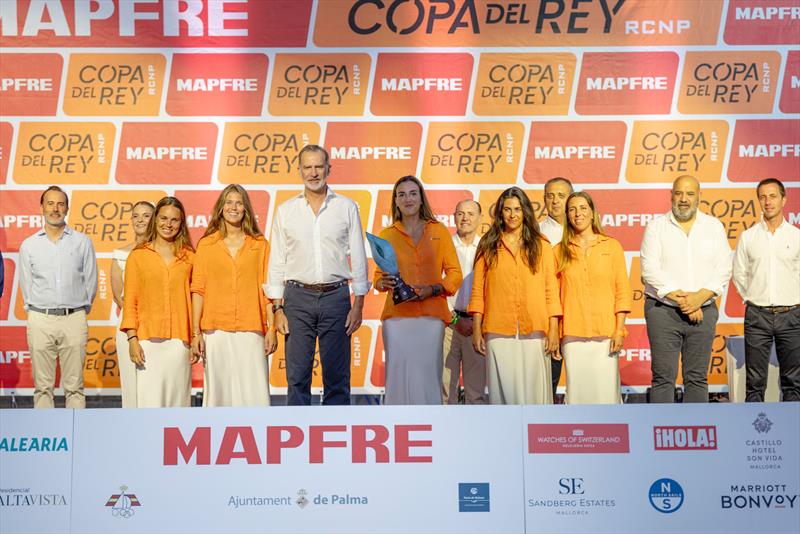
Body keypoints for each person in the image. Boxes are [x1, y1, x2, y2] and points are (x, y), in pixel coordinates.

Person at [267, 145, 369, 406]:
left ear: (328, 169)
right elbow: (277, 260)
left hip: (336, 298)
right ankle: (297, 440)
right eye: (307, 167)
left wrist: (358, 304)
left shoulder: (346, 207)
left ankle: (338, 441)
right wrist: (277, 308)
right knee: (297, 377)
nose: (313, 173)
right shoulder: (285, 210)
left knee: (337, 377)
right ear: (299, 170)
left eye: (318, 166)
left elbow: (358, 255)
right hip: (296, 299)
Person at [640, 175, 732, 403]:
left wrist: (699, 299)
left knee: (697, 377)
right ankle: (659, 434)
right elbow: (649, 270)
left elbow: (724, 268)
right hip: (663, 311)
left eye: (690, 194)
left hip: (704, 310)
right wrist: (686, 302)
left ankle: (696, 434)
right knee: (663, 378)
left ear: (699, 197)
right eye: (679, 193)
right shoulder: (656, 227)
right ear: (671, 195)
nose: (684, 199)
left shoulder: (713, 227)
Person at [469, 187, 561, 405]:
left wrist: (554, 329)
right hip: (498, 330)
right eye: (508, 209)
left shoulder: (542, 244)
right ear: (500, 212)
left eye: (518, 209)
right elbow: (478, 291)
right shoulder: (488, 245)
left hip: (536, 329)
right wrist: (476, 329)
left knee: (535, 396)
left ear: (525, 211)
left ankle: (538, 436)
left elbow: (551, 289)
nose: (512, 215)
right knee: (504, 396)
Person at [375, 176, 462, 405]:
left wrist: (434, 289)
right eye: (401, 194)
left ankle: (430, 431)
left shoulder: (439, 231)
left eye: (413, 193)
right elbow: (377, 277)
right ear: (395, 201)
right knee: (397, 378)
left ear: (421, 198)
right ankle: (397, 430)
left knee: (428, 378)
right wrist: (381, 283)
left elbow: (455, 274)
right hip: (397, 319)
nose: (408, 199)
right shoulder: (386, 235)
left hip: (431, 317)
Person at [191, 185, 276, 407]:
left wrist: (272, 329)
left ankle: (258, 437)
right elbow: (198, 290)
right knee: (219, 396)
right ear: (220, 208)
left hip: (252, 330)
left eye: (239, 203)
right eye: (228, 202)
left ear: (246, 209)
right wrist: (195, 332)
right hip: (215, 331)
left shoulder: (260, 245)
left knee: (254, 395)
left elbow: (268, 291)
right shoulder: (207, 245)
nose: (233, 207)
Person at [19, 186, 97, 409]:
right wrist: (37, 311)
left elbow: (90, 283)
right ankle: (47, 435)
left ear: (67, 208)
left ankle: (77, 438)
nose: (55, 208)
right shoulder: (29, 245)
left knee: (75, 386)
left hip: (74, 318)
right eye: (51, 203)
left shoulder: (82, 242)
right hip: (40, 318)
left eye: (60, 204)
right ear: (42, 207)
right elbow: (27, 285)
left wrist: (79, 310)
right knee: (42, 387)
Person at [555, 192, 632, 404]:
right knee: (578, 394)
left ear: (592, 213)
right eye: (572, 209)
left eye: (582, 208)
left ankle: (611, 436)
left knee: (606, 395)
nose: (577, 213)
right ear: (567, 216)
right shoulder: (558, 251)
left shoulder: (611, 246)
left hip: (606, 334)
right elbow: (554, 297)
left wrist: (619, 329)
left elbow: (622, 291)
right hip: (572, 335)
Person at [121, 197, 196, 408]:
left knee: (178, 404)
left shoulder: (190, 256)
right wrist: (132, 338)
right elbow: (131, 300)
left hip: (180, 342)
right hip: (147, 342)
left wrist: (195, 336)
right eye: (163, 218)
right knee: (149, 404)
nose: (168, 224)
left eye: (174, 220)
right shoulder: (138, 256)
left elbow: (196, 298)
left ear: (181, 223)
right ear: (155, 220)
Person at [733, 178, 800, 402]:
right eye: (762, 197)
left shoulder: (796, 236)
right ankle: (752, 436)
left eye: (772, 196)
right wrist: (753, 297)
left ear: (784, 199)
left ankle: (794, 432)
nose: (767, 202)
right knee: (754, 382)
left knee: (794, 381)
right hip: (757, 315)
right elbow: (739, 274)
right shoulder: (748, 237)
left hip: (792, 315)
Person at [110, 201, 155, 408]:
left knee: (153, 383)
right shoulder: (120, 254)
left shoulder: (162, 253)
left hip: (157, 327)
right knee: (130, 384)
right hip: (129, 325)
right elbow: (118, 295)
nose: (140, 220)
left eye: (146, 215)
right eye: (136, 216)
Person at [442, 199, 487, 405]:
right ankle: (445, 434)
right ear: (454, 218)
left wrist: (476, 321)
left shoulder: (487, 249)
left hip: (477, 326)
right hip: (448, 324)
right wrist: (453, 319)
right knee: (444, 391)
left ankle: (474, 435)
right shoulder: (443, 247)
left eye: (470, 214)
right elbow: (435, 286)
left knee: (475, 392)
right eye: (460, 213)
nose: (465, 218)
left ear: (479, 218)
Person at [539, 177, 574, 401]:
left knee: (583, 380)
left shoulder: (586, 231)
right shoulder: (535, 233)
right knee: (548, 379)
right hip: (548, 316)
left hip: (579, 315)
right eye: (550, 196)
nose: (555, 201)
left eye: (561, 196)